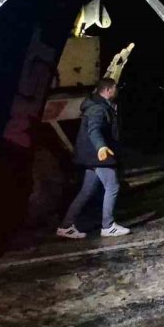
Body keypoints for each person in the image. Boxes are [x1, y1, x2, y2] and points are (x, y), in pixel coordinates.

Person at [56, 78, 131, 238]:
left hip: (91, 156)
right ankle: (108, 226)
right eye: (115, 88)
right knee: (113, 186)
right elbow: (94, 130)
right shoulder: (98, 108)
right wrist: (101, 147)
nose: (117, 91)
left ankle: (65, 226)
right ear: (108, 90)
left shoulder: (99, 105)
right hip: (98, 155)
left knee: (86, 191)